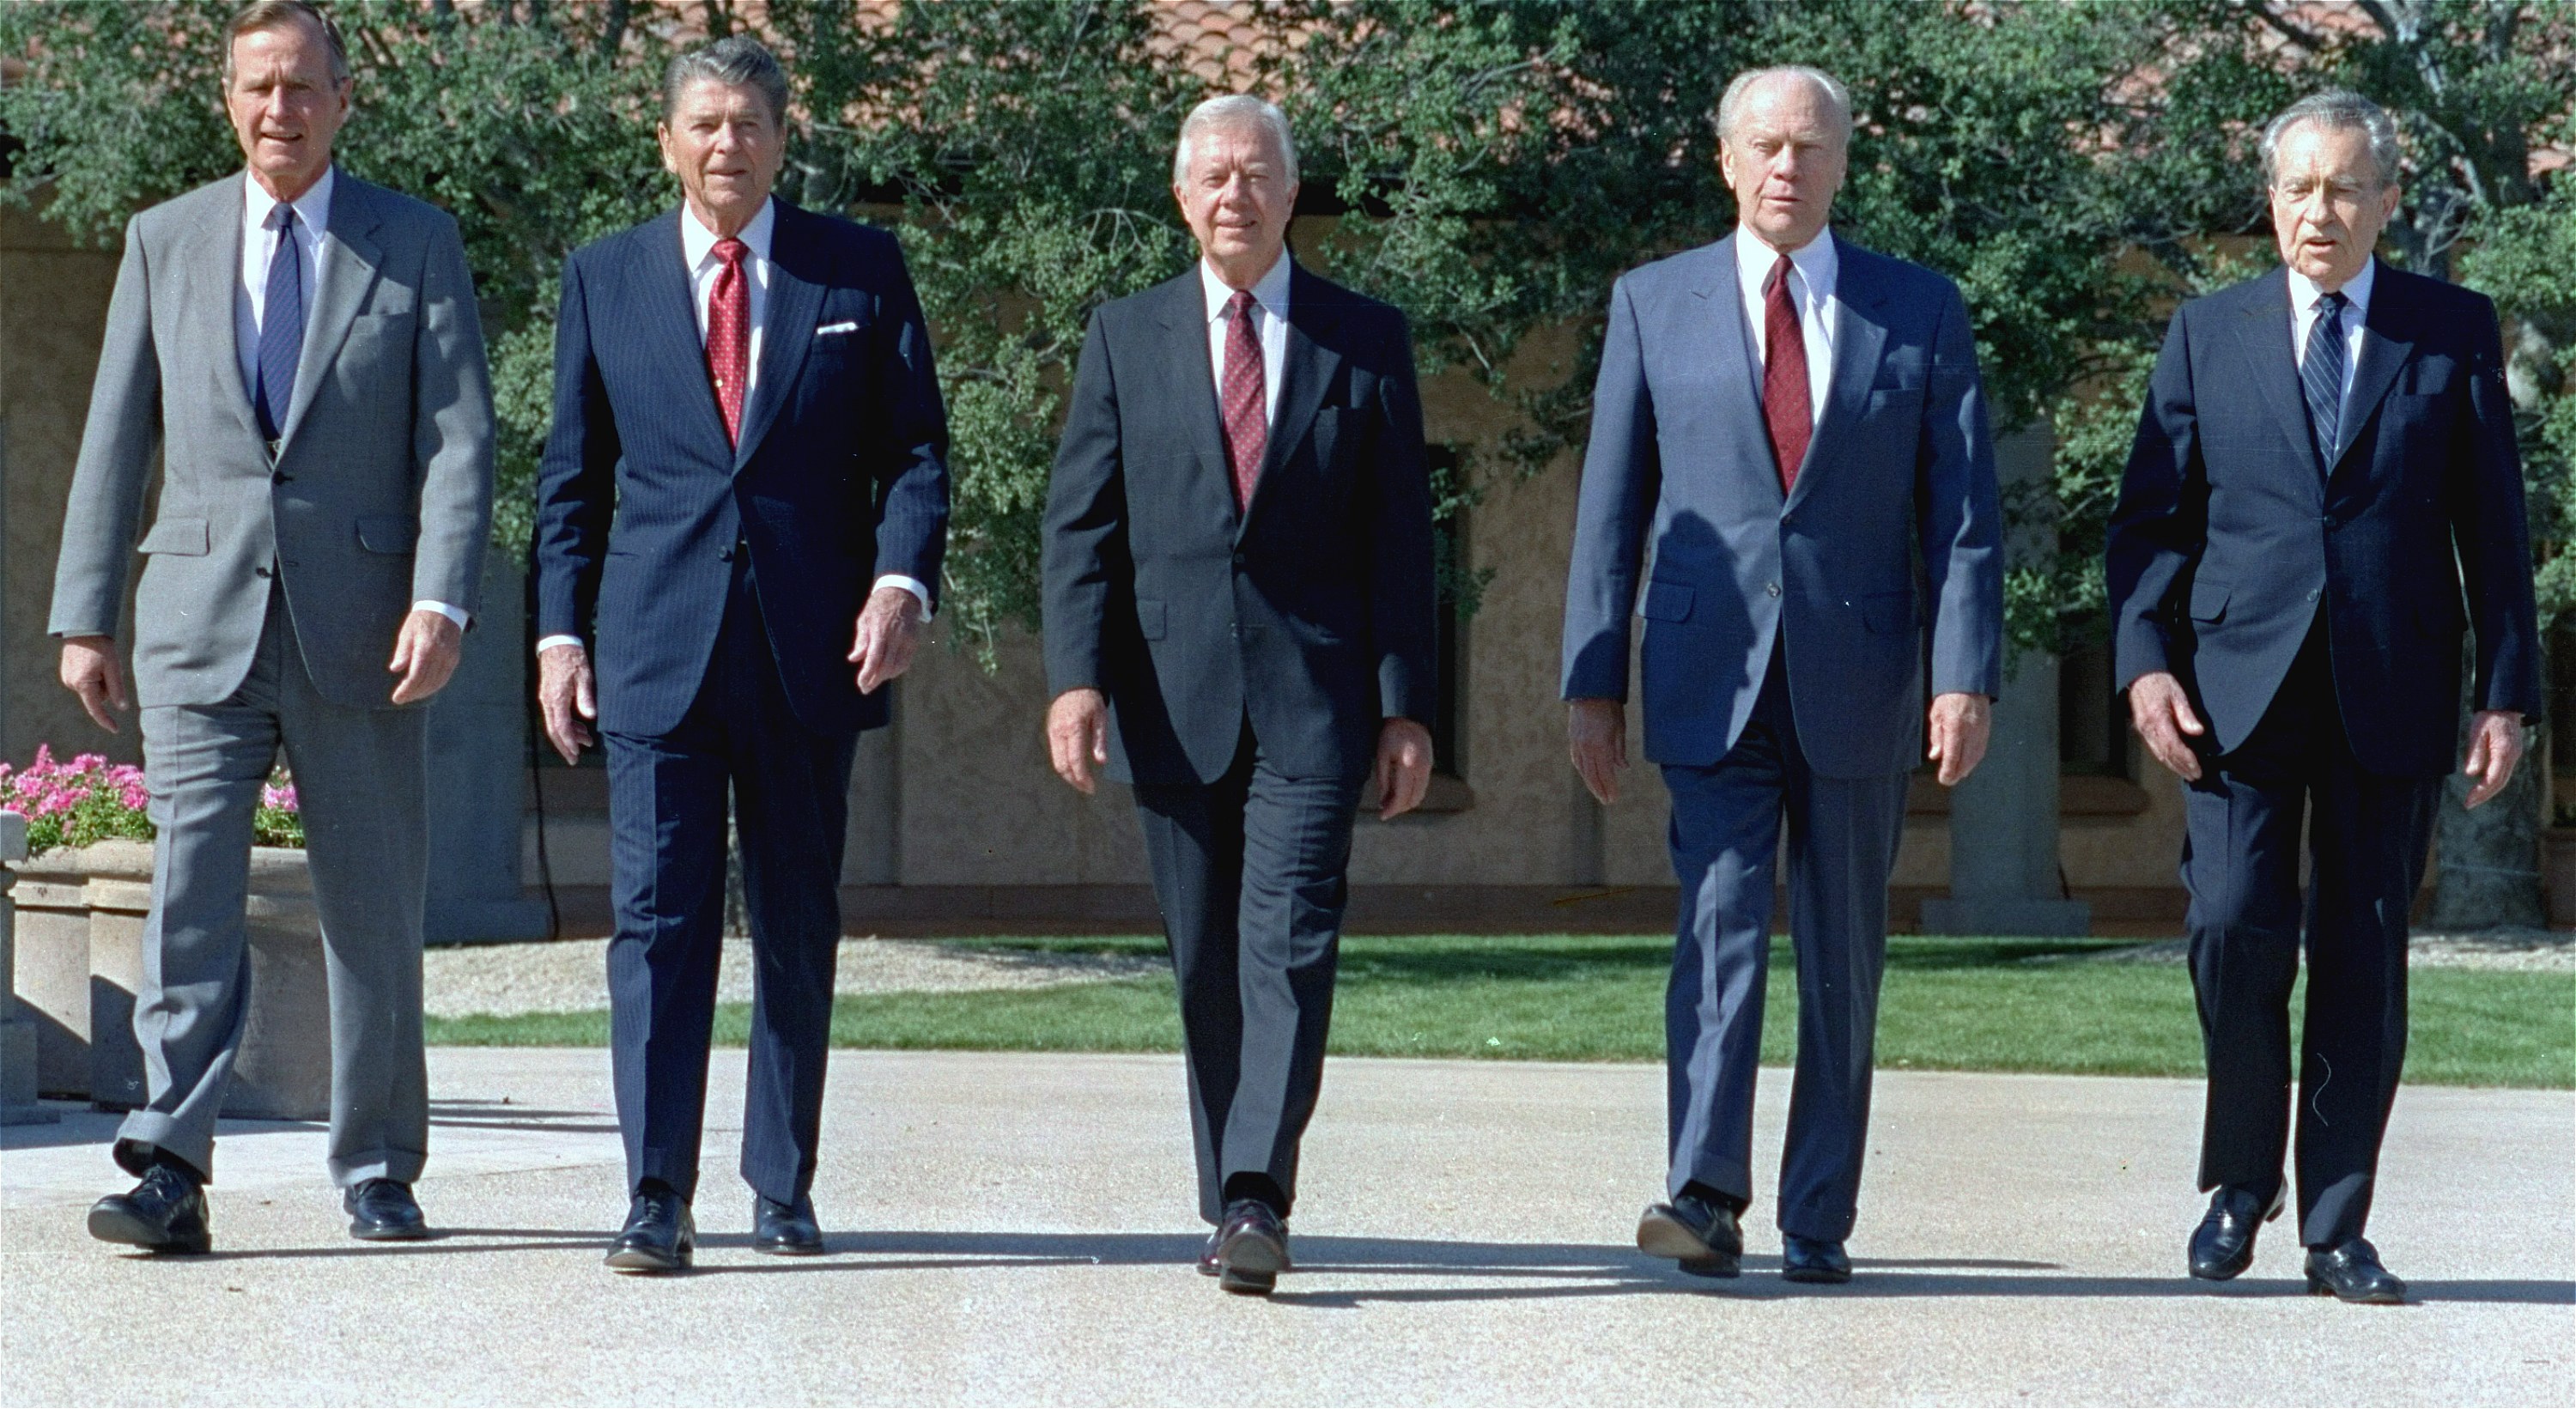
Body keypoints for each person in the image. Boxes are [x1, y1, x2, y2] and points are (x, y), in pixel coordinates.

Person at [54, 0, 495, 1252]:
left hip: (363, 628)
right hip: (197, 619)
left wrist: (443, 594)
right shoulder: (165, 239)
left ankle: (377, 1166)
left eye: (303, 86)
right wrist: (85, 612)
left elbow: (459, 437)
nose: (279, 110)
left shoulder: (414, 243)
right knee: (187, 895)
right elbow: (115, 432)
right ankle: (166, 1166)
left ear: (344, 99)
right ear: (228, 100)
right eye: (257, 87)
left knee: (371, 904)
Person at [1560, 66, 2001, 1285]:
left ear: (1843, 164)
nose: (1786, 168)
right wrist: (1592, 678)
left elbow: (1964, 517)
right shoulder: (1653, 303)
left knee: (1844, 953)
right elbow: (1612, 505)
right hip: (1708, 674)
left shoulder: (1919, 309)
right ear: (1725, 161)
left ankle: (1820, 1214)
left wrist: (1962, 675)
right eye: (1764, 146)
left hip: (1862, 679)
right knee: (1716, 929)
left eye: (1809, 148)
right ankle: (1704, 1193)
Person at [2105, 90, 2540, 1305]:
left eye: (2346, 187)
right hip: (2233, 689)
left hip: (2394, 684)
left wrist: (2504, 693)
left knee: (2364, 950)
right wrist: (2144, 662)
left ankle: (2338, 1223)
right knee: (2234, 924)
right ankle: (2241, 1178)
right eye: (2297, 186)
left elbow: (2493, 532)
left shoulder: (2449, 330)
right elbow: (2149, 525)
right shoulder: (2208, 332)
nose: (2318, 210)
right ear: (2272, 196)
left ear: (2389, 201)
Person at [528, 36, 950, 1274]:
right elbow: (572, 480)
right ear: (666, 142)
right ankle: (656, 1192)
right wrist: (559, 633)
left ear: (782, 137)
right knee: (657, 927)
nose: (727, 144)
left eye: (749, 123)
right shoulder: (603, 278)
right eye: (704, 123)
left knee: (797, 919)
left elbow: (917, 454)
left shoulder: (856, 270)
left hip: (810, 652)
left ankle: (783, 1182)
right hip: (655, 653)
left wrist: (899, 575)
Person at [1042, 94, 1437, 1297]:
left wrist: (1407, 703)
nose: (1234, 193)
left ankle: (1259, 1188)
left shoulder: (1365, 341)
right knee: (1206, 955)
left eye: (1256, 174)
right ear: (1180, 197)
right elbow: (1080, 526)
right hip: (1170, 695)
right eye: (1212, 175)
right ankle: (1232, 1199)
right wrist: (1075, 678)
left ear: (1289, 191)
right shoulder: (1125, 335)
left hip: (1317, 704)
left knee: (1290, 941)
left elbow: (1400, 543)